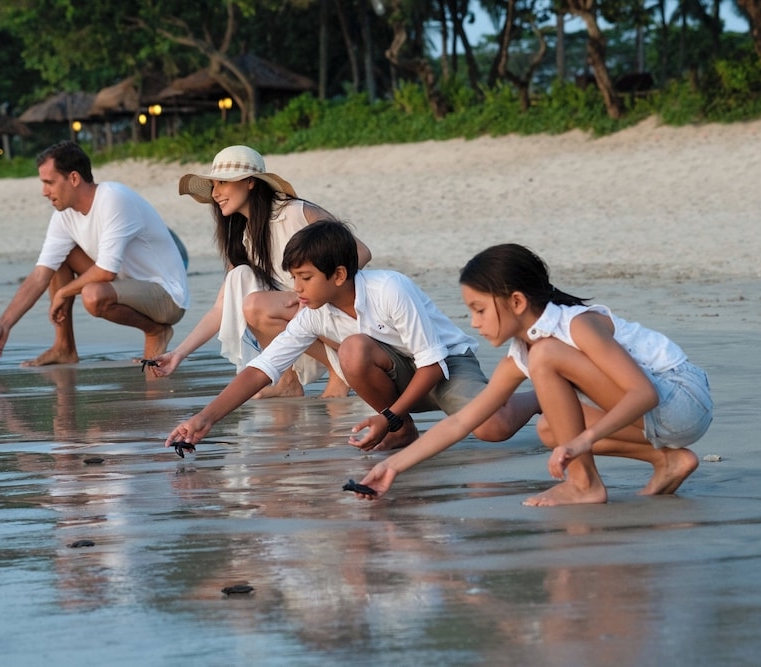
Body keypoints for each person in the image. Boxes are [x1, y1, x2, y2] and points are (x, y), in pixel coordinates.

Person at [352, 244, 714, 506]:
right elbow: (463, 422)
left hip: (680, 399)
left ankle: (584, 484)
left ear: (518, 302)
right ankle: (668, 461)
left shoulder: (574, 326)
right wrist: (393, 467)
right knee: (550, 428)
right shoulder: (525, 353)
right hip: (658, 418)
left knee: (550, 371)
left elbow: (643, 394)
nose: (474, 323)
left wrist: (583, 441)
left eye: (479, 310)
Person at [165, 221, 536, 453]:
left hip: (446, 366)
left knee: (494, 428)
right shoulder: (313, 312)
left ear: (339, 275)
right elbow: (263, 368)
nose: (296, 289)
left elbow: (433, 364)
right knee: (353, 352)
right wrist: (204, 419)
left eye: (305, 278)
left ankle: (536, 397)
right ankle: (403, 431)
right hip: (399, 376)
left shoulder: (390, 288)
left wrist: (386, 415)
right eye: (293, 277)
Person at [150, 145, 372, 399]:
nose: (216, 193)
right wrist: (178, 354)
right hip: (303, 322)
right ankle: (286, 380)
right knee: (240, 280)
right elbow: (222, 307)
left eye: (223, 182)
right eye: (213, 185)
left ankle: (338, 371)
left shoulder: (295, 212)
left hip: (341, 317)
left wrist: (314, 294)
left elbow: (361, 252)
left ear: (251, 183)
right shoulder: (247, 238)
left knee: (258, 304)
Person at [0, 141, 190, 367]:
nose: (44, 192)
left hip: (167, 295)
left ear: (73, 178)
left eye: (49, 182)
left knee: (93, 295)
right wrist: (4, 325)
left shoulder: (113, 198)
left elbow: (106, 272)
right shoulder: (64, 215)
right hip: (128, 283)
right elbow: (41, 274)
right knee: (59, 260)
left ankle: (156, 331)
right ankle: (64, 348)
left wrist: (63, 293)